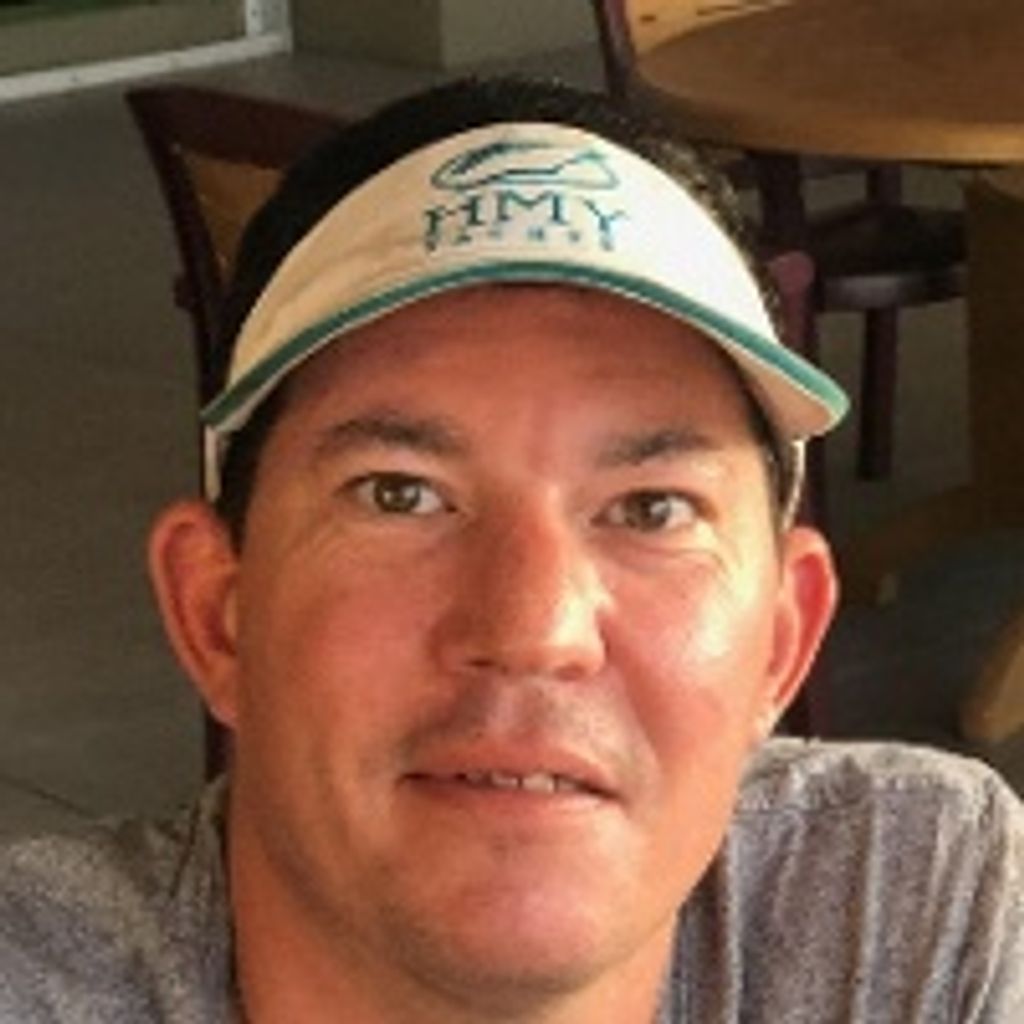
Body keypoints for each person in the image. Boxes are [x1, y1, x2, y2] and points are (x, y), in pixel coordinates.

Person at [0, 76, 1020, 1023]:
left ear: (781, 643)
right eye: (399, 494)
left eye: (651, 508)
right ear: (216, 616)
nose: (535, 627)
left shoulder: (907, 903)